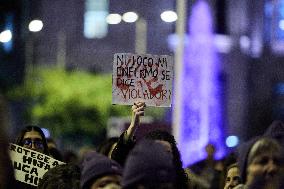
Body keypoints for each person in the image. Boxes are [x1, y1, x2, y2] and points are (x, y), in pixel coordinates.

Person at [111, 102, 189, 189]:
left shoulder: (185, 182)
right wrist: (133, 127)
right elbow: (117, 161)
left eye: (166, 151)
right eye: (155, 150)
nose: (160, 154)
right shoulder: (134, 172)